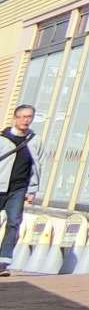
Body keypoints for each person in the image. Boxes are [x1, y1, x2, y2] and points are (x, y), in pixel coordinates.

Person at [0, 105, 35, 275]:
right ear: (15, 118)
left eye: (29, 117)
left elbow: (37, 165)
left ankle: (3, 262)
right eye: (22, 117)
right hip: (0, 186)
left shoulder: (34, 141)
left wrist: (33, 189)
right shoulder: (2, 139)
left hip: (19, 189)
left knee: (14, 222)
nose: (26, 120)